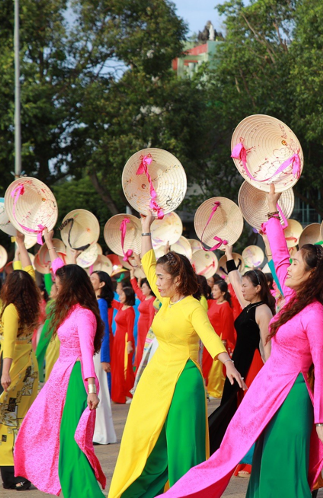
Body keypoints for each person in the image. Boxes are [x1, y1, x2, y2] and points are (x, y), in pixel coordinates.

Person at [160, 183, 323, 498]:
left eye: (298, 265)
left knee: (281, 464)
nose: (288, 268)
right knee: (257, 457)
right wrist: (272, 213)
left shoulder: (314, 314)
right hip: (268, 388)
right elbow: (281, 257)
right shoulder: (291, 299)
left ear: (312, 275)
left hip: (293, 395)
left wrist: (322, 421)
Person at [107, 212, 244, 498]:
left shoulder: (193, 306)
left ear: (178, 278)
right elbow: (147, 263)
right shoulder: (165, 300)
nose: (155, 281)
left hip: (184, 377)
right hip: (157, 376)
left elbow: (208, 336)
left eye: (160, 278)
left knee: (182, 444)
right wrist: (145, 227)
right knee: (145, 434)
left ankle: (185, 492)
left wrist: (227, 362)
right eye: (155, 278)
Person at [14, 264, 108, 496]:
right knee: (45, 433)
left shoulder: (85, 314)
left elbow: (86, 352)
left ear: (69, 286)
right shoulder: (68, 311)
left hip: (76, 379)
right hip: (59, 379)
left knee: (72, 441)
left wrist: (92, 388)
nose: (53, 286)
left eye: (57, 283)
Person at [0, 267, 42, 490]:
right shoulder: (32, 308)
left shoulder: (11, 309)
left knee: (6, 419)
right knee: (19, 420)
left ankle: (14, 476)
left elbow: (9, 342)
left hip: (12, 367)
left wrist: (4, 372)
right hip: (29, 366)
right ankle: (16, 475)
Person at [207, 251, 276, 472]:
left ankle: (246, 461)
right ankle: (227, 455)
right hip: (238, 365)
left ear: (258, 288)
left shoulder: (263, 310)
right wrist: (228, 255)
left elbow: (267, 348)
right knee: (230, 409)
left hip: (253, 367)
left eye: (247, 286)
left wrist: (271, 378)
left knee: (243, 413)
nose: (242, 289)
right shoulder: (248, 306)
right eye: (243, 285)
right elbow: (235, 280)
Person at [90, 268, 118, 446]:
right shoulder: (94, 301)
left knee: (98, 391)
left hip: (98, 351)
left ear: (101, 284)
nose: (90, 281)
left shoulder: (100, 302)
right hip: (95, 350)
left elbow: (104, 331)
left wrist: (104, 358)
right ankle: (102, 433)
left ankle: (101, 434)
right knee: (97, 391)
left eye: (93, 279)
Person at [205, 280, 236, 400]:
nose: (213, 292)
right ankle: (211, 388)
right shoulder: (213, 303)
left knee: (217, 368)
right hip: (211, 338)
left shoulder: (225, 306)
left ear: (223, 292)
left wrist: (223, 341)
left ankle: (217, 390)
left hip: (219, 339)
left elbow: (227, 325)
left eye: (216, 290)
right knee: (210, 366)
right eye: (213, 289)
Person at [111, 285, 136, 404]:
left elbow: (130, 329)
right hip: (118, 340)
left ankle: (129, 394)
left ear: (128, 297)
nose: (120, 296)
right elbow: (110, 301)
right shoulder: (121, 307)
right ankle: (119, 395)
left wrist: (129, 344)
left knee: (126, 368)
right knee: (118, 367)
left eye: (122, 295)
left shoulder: (130, 310)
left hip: (126, 341)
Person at [135, 278, 156, 370]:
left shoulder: (152, 300)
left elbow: (152, 318)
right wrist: (132, 277)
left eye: (143, 287)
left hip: (146, 330)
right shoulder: (144, 298)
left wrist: (150, 334)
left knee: (144, 349)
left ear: (150, 289)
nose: (141, 289)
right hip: (141, 329)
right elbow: (136, 289)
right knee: (140, 349)